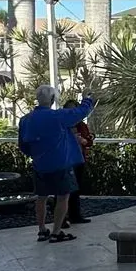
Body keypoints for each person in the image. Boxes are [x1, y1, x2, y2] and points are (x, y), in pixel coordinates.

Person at [17, 84, 95, 243]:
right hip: (61, 163)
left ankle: (41, 230)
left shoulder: (25, 120)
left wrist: (36, 155)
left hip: (40, 165)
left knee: (41, 197)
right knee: (63, 196)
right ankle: (56, 232)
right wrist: (86, 98)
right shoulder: (57, 116)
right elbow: (81, 112)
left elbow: (23, 145)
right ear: (52, 99)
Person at [63, 96, 96, 226]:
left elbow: (89, 141)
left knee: (76, 188)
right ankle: (62, 218)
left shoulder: (81, 125)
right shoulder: (62, 124)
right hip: (65, 160)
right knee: (64, 190)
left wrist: (85, 140)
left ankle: (75, 215)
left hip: (78, 159)